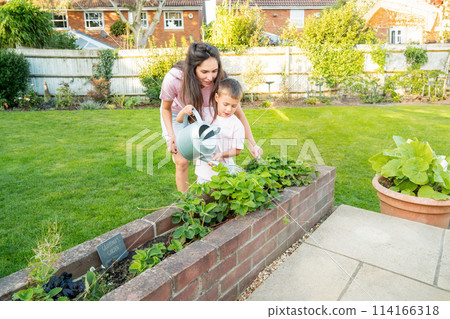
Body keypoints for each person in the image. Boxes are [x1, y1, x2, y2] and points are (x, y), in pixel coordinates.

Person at [160, 42, 262, 192]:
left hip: (202, 112)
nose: (210, 77)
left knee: (205, 154)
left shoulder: (220, 80)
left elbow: (239, 113)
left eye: (214, 71)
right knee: (182, 160)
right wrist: (171, 135)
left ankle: (205, 191)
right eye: (204, 72)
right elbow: (166, 108)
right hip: (178, 114)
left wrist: (252, 143)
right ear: (192, 68)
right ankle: (187, 205)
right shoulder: (175, 78)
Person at [177, 78, 245, 183]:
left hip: (224, 171)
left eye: (234, 106)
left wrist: (221, 154)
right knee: (202, 198)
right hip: (203, 171)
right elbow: (180, 120)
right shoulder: (206, 114)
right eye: (226, 104)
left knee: (222, 198)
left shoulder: (237, 125)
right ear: (217, 97)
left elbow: (237, 150)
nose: (228, 109)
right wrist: (185, 110)